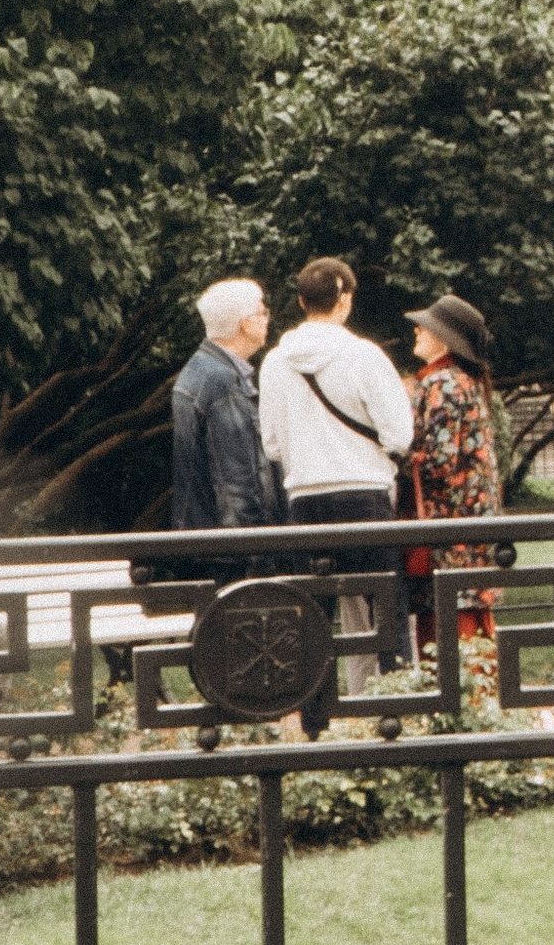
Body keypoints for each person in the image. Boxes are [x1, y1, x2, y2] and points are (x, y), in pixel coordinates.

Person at [258, 258, 413, 710]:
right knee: (387, 615)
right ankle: (397, 715)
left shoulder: (274, 364)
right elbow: (399, 435)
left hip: (305, 501)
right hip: (364, 495)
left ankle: (314, 722)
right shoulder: (364, 355)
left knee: (311, 621)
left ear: (303, 301)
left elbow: (270, 446)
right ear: (345, 299)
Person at [403, 293, 503, 643]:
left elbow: (439, 462)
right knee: (472, 628)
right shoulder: (464, 381)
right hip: (471, 529)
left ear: (444, 338)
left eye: (425, 326)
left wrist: (397, 455)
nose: (416, 330)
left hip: (449, 534)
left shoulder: (441, 383)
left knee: (448, 634)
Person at [169, 279, 272, 539]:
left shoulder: (201, 369)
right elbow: (235, 483)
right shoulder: (222, 380)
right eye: (262, 312)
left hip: (203, 537)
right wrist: (257, 553)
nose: (267, 319)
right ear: (245, 324)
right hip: (226, 549)